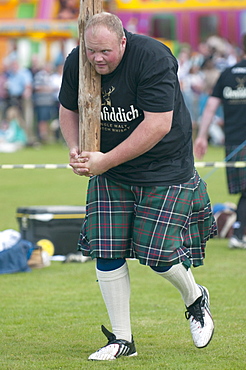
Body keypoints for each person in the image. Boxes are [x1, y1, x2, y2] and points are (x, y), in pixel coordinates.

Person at [59, 12, 217, 361]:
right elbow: (68, 108)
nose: (97, 58)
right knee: (107, 248)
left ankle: (195, 298)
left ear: (123, 42)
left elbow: (158, 125)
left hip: (164, 167)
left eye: (106, 52)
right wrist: (77, 149)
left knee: (159, 254)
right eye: (91, 51)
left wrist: (104, 161)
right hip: (112, 171)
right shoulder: (78, 61)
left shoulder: (154, 58)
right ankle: (122, 339)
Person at [194, 34, 246, 249]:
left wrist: (201, 136)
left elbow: (210, 108)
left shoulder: (226, 74)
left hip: (231, 142)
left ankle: (239, 233)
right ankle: (239, 234)